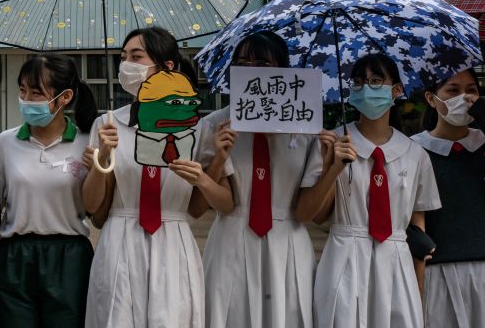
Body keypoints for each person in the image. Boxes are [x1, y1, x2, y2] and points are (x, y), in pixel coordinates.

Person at [82, 27, 234, 328]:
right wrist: (102, 159)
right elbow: (91, 204)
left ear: (167, 67)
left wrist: (206, 174)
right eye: (123, 57)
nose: (127, 65)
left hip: (172, 240)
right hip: (120, 239)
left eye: (137, 57)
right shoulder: (108, 124)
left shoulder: (197, 128)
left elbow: (221, 203)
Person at [297, 53, 440, 328]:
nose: (366, 89)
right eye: (359, 82)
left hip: (397, 262)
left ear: (397, 90)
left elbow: (418, 230)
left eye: (376, 81)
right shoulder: (331, 143)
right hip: (344, 256)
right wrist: (334, 167)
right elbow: (309, 214)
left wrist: (417, 288)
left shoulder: (416, 154)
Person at [198, 31, 323, 328]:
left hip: (287, 240)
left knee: (289, 315)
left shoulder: (306, 125)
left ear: (282, 69)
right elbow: (214, 202)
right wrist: (218, 156)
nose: (251, 70)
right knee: (228, 314)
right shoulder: (215, 125)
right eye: (242, 62)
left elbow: (309, 209)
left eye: (262, 63)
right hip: (232, 235)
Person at [0, 53, 100, 328]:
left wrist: (100, 163)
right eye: (22, 90)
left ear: (64, 97)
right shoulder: (5, 143)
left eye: (36, 93)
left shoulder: (88, 142)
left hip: (69, 258)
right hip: (15, 257)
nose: (26, 99)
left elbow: (95, 210)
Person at [411, 67, 484, 325]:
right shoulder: (413, 151)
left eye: (472, 91)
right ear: (431, 99)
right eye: (453, 90)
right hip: (437, 275)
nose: (464, 98)